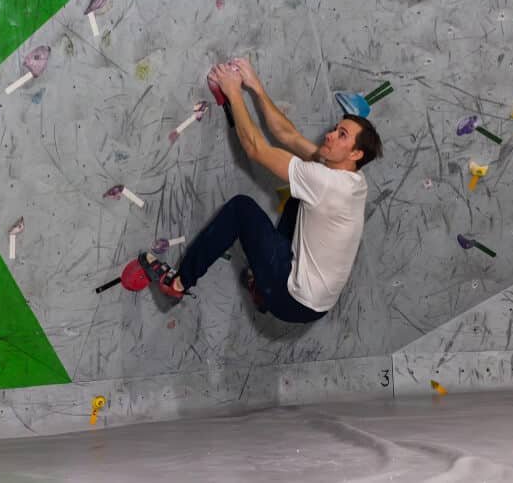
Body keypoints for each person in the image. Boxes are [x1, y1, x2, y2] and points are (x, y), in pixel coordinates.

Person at [152, 58, 383, 323]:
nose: (330, 135)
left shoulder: (327, 183)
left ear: (356, 152)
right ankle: (263, 285)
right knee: (299, 199)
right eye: (336, 129)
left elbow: (256, 149)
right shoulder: (353, 176)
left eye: (341, 135)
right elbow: (290, 136)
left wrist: (233, 91)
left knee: (241, 209)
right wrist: (256, 86)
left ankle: (178, 283)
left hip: (293, 301)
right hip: (314, 297)